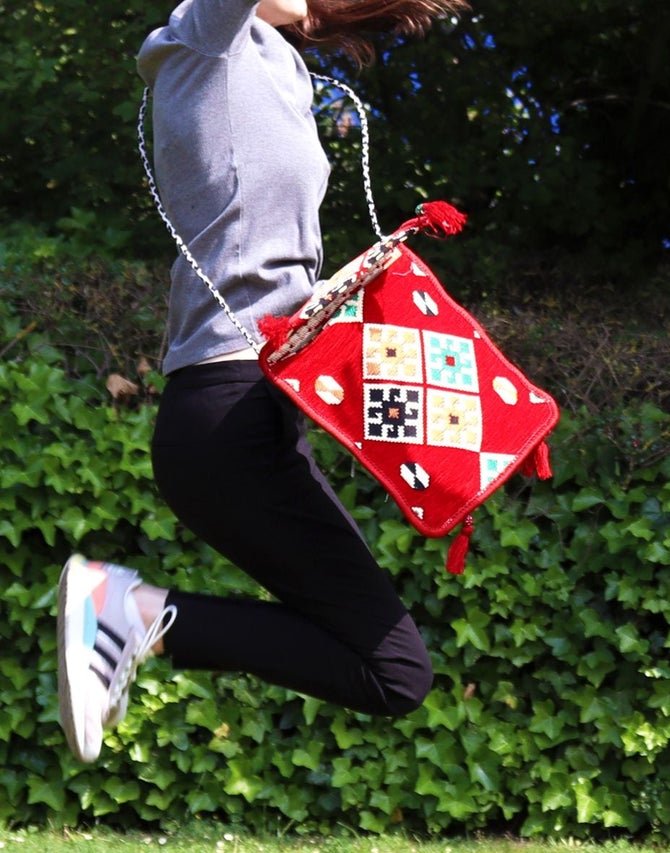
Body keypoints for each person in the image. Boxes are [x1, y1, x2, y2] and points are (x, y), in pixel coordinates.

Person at [57, 0, 469, 765]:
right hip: (224, 412)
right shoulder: (202, 40)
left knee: (396, 672)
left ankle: (135, 612)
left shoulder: (281, 69)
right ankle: (129, 610)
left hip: (260, 413)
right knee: (394, 670)